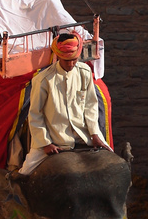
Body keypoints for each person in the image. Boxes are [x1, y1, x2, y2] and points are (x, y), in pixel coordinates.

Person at [16, 31, 108, 176]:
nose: (71, 64)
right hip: (54, 138)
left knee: (113, 164)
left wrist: (95, 133)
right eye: (67, 60)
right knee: (25, 173)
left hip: (84, 135)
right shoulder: (43, 80)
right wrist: (45, 143)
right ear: (58, 56)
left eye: (74, 60)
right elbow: (35, 114)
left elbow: (90, 105)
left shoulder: (84, 72)